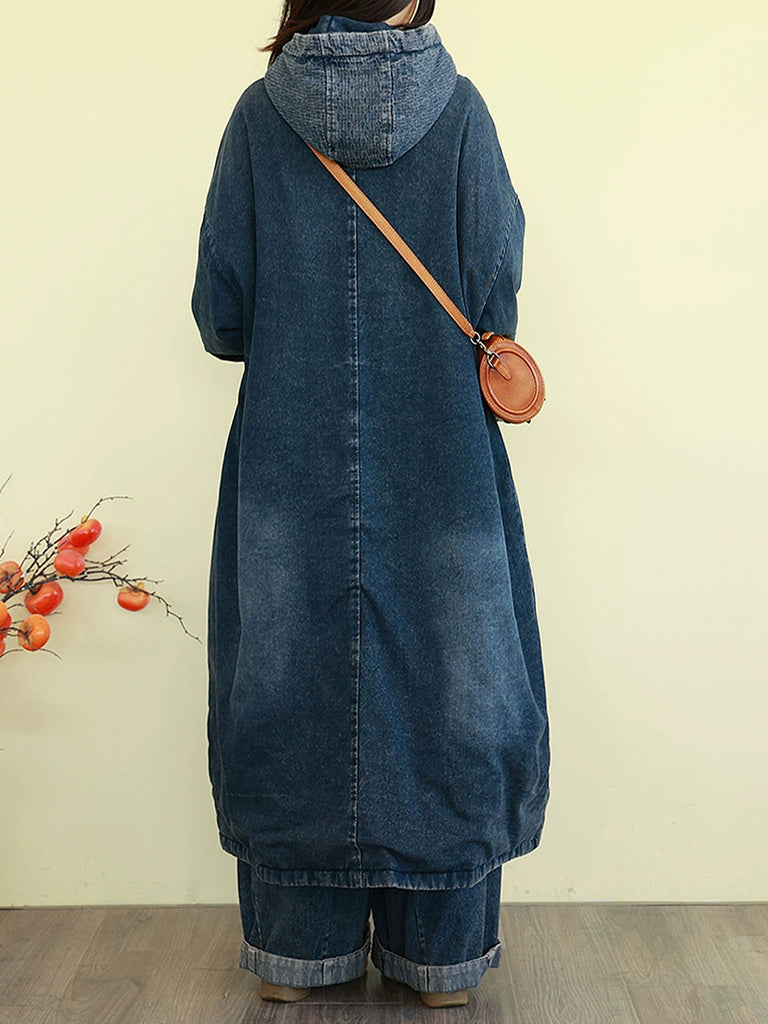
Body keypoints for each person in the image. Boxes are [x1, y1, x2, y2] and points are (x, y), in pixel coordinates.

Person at [191, 0, 550, 1009]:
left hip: (285, 459)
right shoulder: (461, 112)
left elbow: (222, 313)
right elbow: (493, 296)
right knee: (457, 684)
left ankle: (295, 952)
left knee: (282, 676)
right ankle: (440, 960)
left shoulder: (257, 119)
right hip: (446, 459)